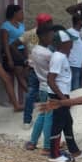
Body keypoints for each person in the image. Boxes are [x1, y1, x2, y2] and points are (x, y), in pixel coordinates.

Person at [47, 30, 82, 162]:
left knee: (67, 122)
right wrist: (63, 98)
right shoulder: (58, 57)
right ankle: (54, 154)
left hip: (62, 94)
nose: (72, 44)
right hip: (58, 95)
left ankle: (74, 150)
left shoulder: (61, 56)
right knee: (58, 124)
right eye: (70, 41)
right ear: (64, 43)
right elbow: (50, 80)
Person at [24, 24, 56, 153]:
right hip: (50, 87)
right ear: (43, 36)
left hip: (42, 85)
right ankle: (47, 146)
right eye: (50, 35)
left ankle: (32, 142)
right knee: (49, 116)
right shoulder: (49, 54)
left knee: (42, 115)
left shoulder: (35, 50)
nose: (52, 38)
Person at [0, 5, 29, 113]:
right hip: (11, 52)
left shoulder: (21, 26)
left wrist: (27, 55)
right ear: (14, 14)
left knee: (22, 76)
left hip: (21, 52)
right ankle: (20, 100)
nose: (23, 15)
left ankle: (19, 100)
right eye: (21, 13)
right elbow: (5, 43)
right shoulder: (5, 26)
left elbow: (24, 41)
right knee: (16, 77)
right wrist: (9, 58)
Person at [67, 14, 82, 90]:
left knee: (78, 89)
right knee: (74, 89)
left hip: (79, 65)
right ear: (79, 21)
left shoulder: (80, 33)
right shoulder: (69, 32)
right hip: (72, 64)